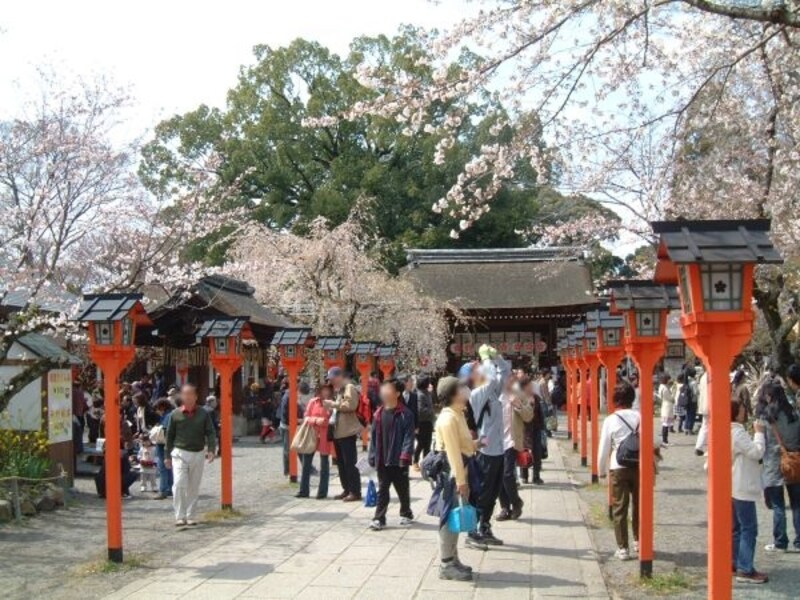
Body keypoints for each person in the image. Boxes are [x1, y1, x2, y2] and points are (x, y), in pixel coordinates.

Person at [467, 344, 511, 549]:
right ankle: (473, 529)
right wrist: (486, 359)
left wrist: (498, 357)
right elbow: (493, 377)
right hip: (484, 451)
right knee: (482, 493)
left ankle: (484, 526)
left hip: (498, 450)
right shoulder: (476, 395)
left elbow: (504, 374)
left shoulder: (493, 392)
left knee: (493, 493)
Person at [433, 376, 476, 581]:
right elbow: (452, 452)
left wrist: (477, 444)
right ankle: (446, 564)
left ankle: (453, 557)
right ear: (453, 394)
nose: (466, 390)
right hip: (452, 474)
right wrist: (461, 481)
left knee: (456, 516)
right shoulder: (449, 418)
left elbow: (463, 444)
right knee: (449, 517)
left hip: (460, 470)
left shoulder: (458, 414)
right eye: (461, 388)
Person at [756, 381, 800, 552]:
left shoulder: (766, 417)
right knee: (797, 504)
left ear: (769, 396)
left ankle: (781, 541)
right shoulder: (794, 414)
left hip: (773, 464)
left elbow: (761, 444)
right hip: (793, 462)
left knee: (778, 505)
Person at [598, 382, 640, 561]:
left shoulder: (611, 420)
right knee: (639, 505)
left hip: (618, 465)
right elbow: (653, 441)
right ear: (632, 398)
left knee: (620, 507)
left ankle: (623, 547)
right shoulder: (640, 417)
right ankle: (640, 540)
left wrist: (600, 470)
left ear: (615, 399)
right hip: (639, 465)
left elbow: (604, 447)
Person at [165, 384, 217, 527]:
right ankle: (180, 515)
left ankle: (191, 515)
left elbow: (210, 432)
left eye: (190, 395)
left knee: (194, 485)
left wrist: (211, 449)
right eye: (185, 395)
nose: (187, 398)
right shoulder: (175, 414)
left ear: (195, 397)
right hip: (179, 452)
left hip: (198, 452)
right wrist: (166, 456)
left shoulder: (203, 414)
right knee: (179, 484)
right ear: (181, 397)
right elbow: (169, 436)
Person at [368, 378, 415, 530]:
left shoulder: (405, 414)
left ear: (397, 393)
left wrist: (405, 455)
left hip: (398, 459)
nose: (384, 392)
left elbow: (409, 436)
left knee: (402, 489)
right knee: (383, 489)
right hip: (383, 459)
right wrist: (372, 454)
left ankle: (406, 513)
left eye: (388, 389)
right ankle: (379, 518)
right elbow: (374, 437)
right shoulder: (378, 413)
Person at [731, 398, 768, 584]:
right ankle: (745, 568)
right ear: (736, 412)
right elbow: (757, 452)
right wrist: (759, 434)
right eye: (743, 409)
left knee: (736, 528)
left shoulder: (725, 430)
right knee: (748, 528)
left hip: (731, 484)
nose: (745, 412)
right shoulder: (737, 433)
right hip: (742, 485)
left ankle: (735, 562)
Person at [497, 376, 533, 520]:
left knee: (507, 474)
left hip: (511, 440)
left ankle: (516, 502)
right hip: (495, 441)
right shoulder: (493, 395)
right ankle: (505, 507)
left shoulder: (520, 395)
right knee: (498, 475)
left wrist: (518, 405)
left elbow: (529, 416)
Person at [325, 367, 362, 501]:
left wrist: (333, 404)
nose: (332, 382)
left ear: (340, 376)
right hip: (338, 431)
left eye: (333, 379)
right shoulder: (339, 390)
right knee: (340, 463)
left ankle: (355, 491)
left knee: (350, 463)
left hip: (347, 431)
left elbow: (350, 405)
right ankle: (346, 489)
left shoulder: (349, 387)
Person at [297, 383, 333, 499]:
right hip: (312, 434)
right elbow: (306, 417)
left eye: (327, 390)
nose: (325, 392)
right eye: (324, 390)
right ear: (319, 391)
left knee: (324, 464)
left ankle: (322, 492)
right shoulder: (313, 402)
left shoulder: (332, 403)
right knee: (306, 463)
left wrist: (328, 414)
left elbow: (332, 420)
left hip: (325, 435)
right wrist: (317, 420)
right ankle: (304, 490)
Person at [520, 377, 545, 485]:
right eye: (529, 385)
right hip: (524, 430)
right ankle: (524, 476)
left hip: (536, 429)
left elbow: (540, 414)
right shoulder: (520, 398)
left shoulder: (536, 397)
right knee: (524, 452)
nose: (531, 387)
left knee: (537, 453)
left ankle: (536, 476)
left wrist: (542, 427)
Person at [153, 398, 173, 500]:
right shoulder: (171, 414)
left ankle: (163, 490)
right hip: (169, 445)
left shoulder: (167, 416)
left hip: (163, 445)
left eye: (157, 408)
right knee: (169, 468)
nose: (157, 411)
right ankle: (170, 488)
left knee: (163, 467)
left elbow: (164, 431)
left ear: (162, 407)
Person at [413, 376, 435, 469]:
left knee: (428, 443)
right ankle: (415, 461)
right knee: (421, 443)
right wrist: (431, 411)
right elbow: (420, 410)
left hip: (428, 422)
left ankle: (426, 463)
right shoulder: (419, 395)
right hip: (421, 423)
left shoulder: (427, 393)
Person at [658, 373, 674, 447]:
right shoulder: (665, 388)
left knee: (665, 424)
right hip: (667, 405)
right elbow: (670, 398)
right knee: (666, 425)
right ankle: (665, 440)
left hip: (665, 405)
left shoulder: (661, 386)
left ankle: (665, 440)